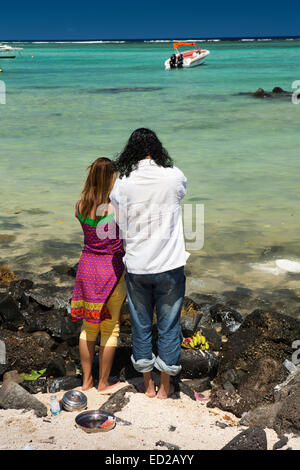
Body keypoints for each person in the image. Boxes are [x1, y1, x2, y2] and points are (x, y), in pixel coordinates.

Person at [110, 128, 189, 399]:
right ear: (157, 149)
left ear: (130, 151)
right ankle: (166, 387)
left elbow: (118, 221)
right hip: (170, 264)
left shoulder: (123, 181)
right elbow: (181, 194)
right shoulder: (173, 175)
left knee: (141, 324)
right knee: (169, 325)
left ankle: (148, 385)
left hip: (138, 265)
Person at [70, 157, 126, 392]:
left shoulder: (80, 205)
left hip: (87, 269)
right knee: (110, 328)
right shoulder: (116, 210)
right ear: (111, 179)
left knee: (88, 327)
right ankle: (103, 382)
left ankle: (86, 381)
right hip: (111, 272)